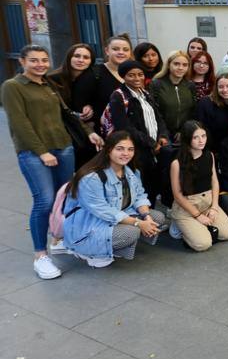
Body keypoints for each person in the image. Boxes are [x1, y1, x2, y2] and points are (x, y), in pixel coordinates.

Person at [3, 45, 102, 279]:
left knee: (64, 198)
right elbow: (20, 123)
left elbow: (66, 113)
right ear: (22, 61)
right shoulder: (12, 86)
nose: (40, 64)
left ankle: (58, 239)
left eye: (44, 60)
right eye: (34, 60)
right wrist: (41, 152)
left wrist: (89, 132)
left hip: (63, 148)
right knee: (44, 201)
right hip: (34, 153)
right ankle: (40, 255)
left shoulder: (48, 84)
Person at [62, 131, 165, 267]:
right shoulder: (92, 178)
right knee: (131, 232)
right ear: (108, 150)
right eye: (120, 149)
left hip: (115, 215)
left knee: (157, 217)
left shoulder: (132, 172)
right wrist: (138, 223)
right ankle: (86, 251)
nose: (126, 153)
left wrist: (146, 217)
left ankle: (112, 245)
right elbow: (104, 211)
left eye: (130, 149)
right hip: (89, 225)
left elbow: (140, 195)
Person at [107, 60, 172, 204]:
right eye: (131, 75)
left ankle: (152, 213)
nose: (137, 78)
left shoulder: (145, 93)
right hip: (137, 149)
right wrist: (151, 143)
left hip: (154, 146)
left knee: (155, 183)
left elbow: (158, 117)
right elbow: (125, 127)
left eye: (140, 74)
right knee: (142, 185)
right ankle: (144, 218)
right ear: (123, 77)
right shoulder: (118, 96)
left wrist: (162, 135)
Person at [169, 121, 228, 251]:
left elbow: (214, 182)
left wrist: (215, 207)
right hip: (187, 207)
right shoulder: (177, 163)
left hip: (207, 202)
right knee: (203, 244)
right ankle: (178, 225)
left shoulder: (209, 155)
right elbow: (177, 195)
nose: (201, 141)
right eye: (196, 137)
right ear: (188, 139)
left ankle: (196, 227)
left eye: (203, 136)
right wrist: (197, 216)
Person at [47, 43, 100, 167]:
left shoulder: (94, 78)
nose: (81, 60)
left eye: (86, 57)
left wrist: (91, 106)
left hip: (86, 131)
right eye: (77, 56)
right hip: (64, 132)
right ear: (69, 57)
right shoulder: (53, 78)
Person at [149, 50, 196, 144]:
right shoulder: (156, 84)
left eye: (184, 65)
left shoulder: (190, 85)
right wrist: (163, 133)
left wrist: (184, 130)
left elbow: (192, 111)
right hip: (162, 135)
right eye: (176, 64)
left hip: (183, 134)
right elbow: (154, 112)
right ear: (168, 65)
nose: (180, 68)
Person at [196, 73, 228, 152]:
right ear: (216, 89)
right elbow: (200, 128)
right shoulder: (205, 103)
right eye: (221, 87)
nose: (225, 90)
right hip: (212, 149)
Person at [91, 34, 132, 119]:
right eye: (115, 49)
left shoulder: (136, 73)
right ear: (107, 51)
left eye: (126, 50)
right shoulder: (94, 73)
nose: (121, 52)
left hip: (134, 129)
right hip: (105, 129)